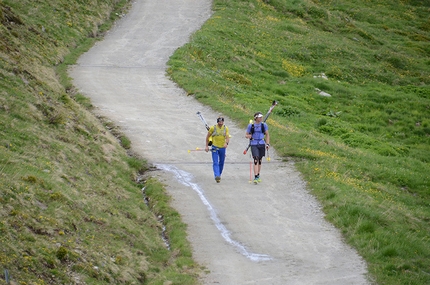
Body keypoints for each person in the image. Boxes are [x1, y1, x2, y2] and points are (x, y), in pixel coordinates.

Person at [245, 112, 270, 184]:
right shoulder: (251, 126)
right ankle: (255, 176)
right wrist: (248, 136)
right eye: (260, 117)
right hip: (254, 143)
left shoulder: (264, 125)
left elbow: (267, 135)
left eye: (261, 117)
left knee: (260, 160)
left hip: (261, 143)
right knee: (255, 159)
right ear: (256, 118)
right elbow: (246, 135)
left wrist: (267, 144)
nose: (261, 118)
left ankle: (258, 174)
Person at [205, 116, 230, 183]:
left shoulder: (225, 128)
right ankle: (217, 175)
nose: (221, 123)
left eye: (222, 122)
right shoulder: (213, 128)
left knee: (221, 162)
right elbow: (207, 137)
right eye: (219, 122)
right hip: (215, 147)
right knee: (215, 162)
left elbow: (227, 137)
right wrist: (206, 146)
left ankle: (219, 174)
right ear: (217, 122)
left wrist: (226, 143)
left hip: (222, 148)